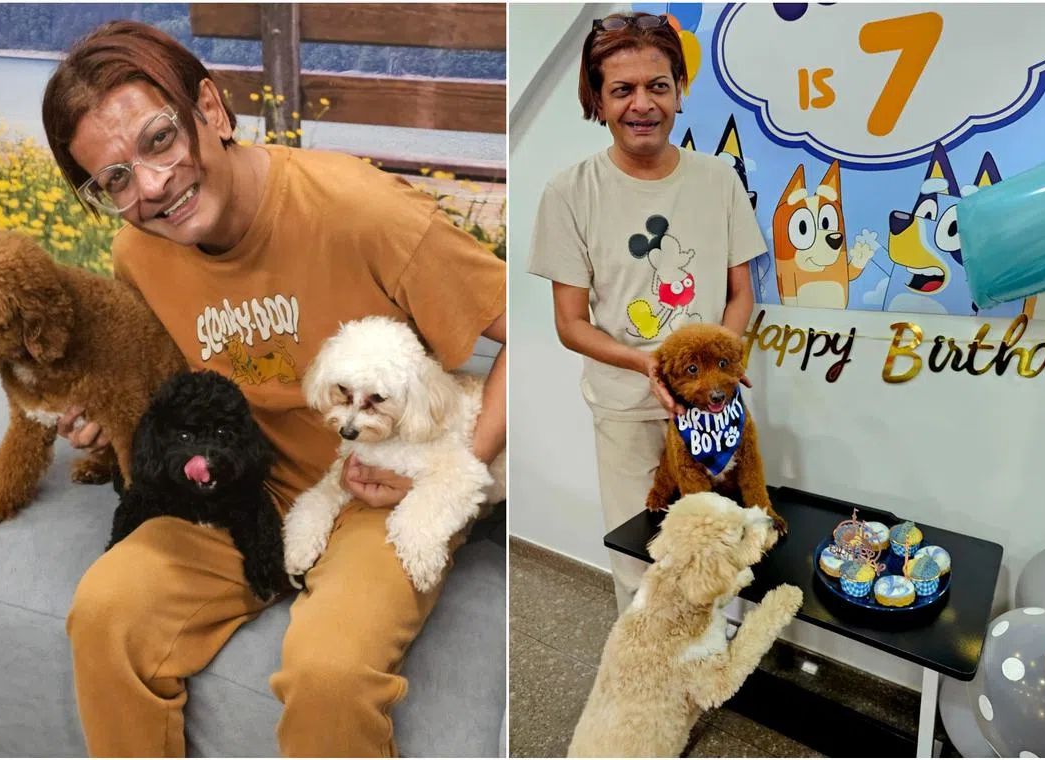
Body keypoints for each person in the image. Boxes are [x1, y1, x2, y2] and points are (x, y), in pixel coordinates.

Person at [41, 20, 506, 757]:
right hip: (241, 487)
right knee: (104, 610)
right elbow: (173, 376)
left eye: (159, 140)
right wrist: (107, 410)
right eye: (115, 181)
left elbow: (528, 333)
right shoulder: (140, 251)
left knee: (328, 674)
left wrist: (451, 477)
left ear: (212, 110)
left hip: (375, 488)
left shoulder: (363, 209)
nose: (152, 187)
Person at [526, 12, 765, 613]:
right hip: (627, 412)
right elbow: (570, 323)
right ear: (598, 101)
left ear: (680, 92)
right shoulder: (570, 192)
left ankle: (713, 667)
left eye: (658, 85)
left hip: (716, 410)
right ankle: (650, 685)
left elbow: (742, 295)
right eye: (622, 89)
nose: (642, 103)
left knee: (720, 547)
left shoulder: (719, 180)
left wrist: (718, 372)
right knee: (646, 564)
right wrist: (647, 366)